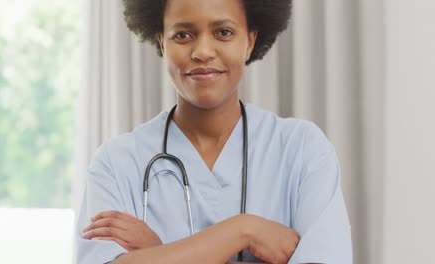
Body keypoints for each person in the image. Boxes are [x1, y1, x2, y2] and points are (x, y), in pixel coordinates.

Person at [75, 0, 352, 263]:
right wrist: (244, 230)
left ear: (249, 42)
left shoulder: (302, 148)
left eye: (223, 32)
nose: (203, 51)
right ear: (162, 41)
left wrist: (160, 255)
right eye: (182, 35)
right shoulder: (116, 162)